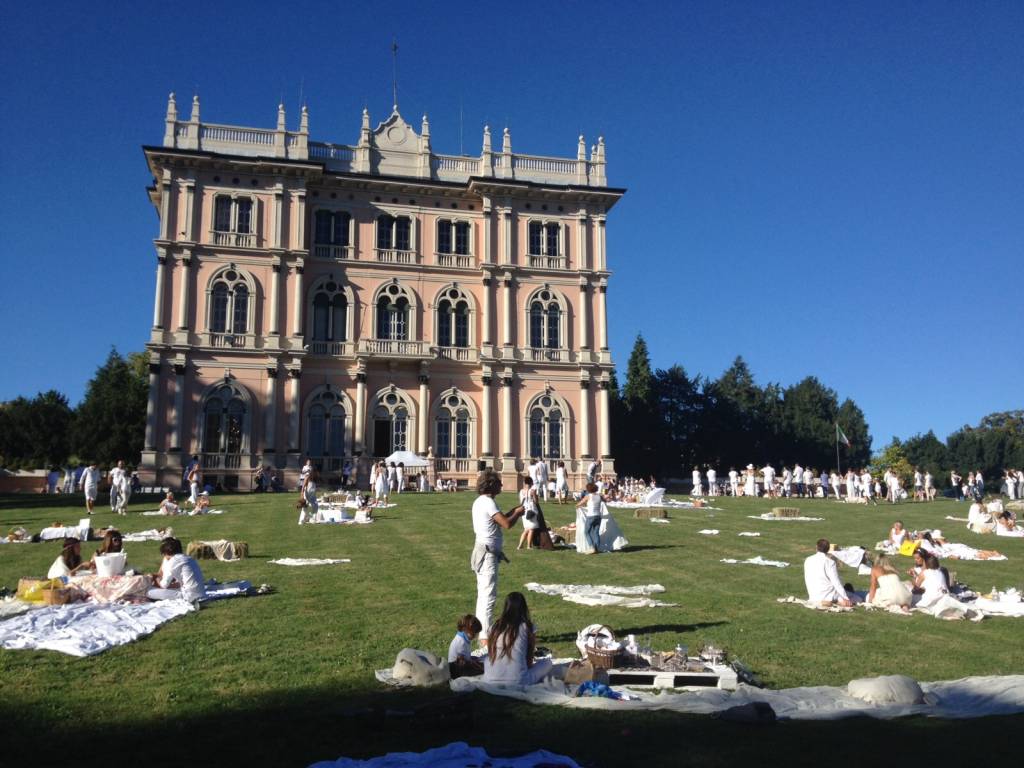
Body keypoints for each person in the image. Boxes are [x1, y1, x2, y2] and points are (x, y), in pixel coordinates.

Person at [470, 470, 524, 637]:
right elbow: (507, 524)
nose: (501, 485)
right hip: (487, 555)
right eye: (499, 482)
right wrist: (518, 513)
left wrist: (513, 510)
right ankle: (485, 637)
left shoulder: (481, 501)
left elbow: (498, 521)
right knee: (488, 596)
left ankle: (481, 631)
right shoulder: (488, 503)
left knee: (483, 595)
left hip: (482, 551)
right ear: (491, 485)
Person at [482, 592, 553, 685]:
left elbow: (491, 653)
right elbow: (529, 656)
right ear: (523, 607)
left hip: (489, 679)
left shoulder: (494, 627)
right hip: (518, 680)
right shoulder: (527, 627)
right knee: (547, 663)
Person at [148, 537, 206, 603]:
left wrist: (155, 579)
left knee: (149, 592)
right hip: (201, 593)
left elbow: (163, 585)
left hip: (188, 596)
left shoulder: (173, 561)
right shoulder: (188, 558)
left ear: (165, 552)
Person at [803, 539, 852, 607]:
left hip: (813, 594)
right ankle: (833, 601)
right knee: (854, 597)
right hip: (826, 594)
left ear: (816, 547)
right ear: (828, 549)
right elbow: (836, 581)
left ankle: (822, 601)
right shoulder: (830, 562)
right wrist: (845, 597)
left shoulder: (808, 559)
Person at [448, 614, 484, 678]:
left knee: (482, 665)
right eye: (474, 634)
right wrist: (474, 664)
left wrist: (472, 660)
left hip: (461, 666)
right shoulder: (460, 642)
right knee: (483, 669)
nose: (475, 636)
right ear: (466, 630)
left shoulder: (464, 638)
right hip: (457, 670)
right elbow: (461, 662)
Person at [576, 482, 604, 554]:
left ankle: (591, 547)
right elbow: (605, 501)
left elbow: (580, 503)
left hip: (591, 516)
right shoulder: (599, 496)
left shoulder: (588, 496)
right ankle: (596, 548)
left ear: (588, 489)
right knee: (596, 533)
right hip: (598, 516)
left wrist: (577, 505)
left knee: (586, 532)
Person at [517, 477, 540, 550]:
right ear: (531, 483)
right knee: (531, 529)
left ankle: (520, 545)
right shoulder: (532, 491)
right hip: (531, 510)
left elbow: (521, 502)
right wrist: (535, 495)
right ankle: (529, 545)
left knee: (526, 529)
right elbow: (536, 502)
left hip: (524, 511)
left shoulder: (521, 491)